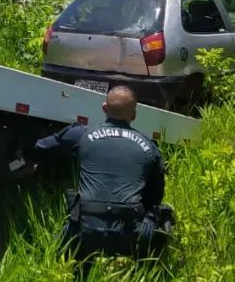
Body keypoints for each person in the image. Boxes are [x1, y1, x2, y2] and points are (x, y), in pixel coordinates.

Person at [30, 85, 173, 260]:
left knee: (66, 242)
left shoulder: (80, 134)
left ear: (104, 108)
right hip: (130, 235)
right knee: (162, 215)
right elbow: (154, 198)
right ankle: (149, 276)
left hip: (84, 231)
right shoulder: (150, 147)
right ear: (134, 116)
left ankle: (75, 271)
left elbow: (41, 147)